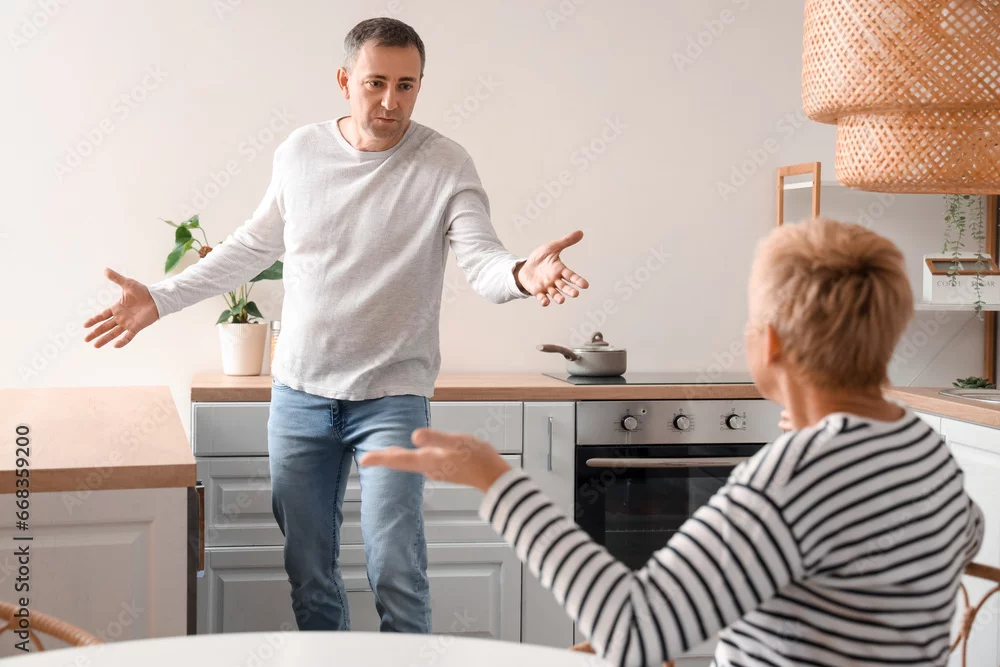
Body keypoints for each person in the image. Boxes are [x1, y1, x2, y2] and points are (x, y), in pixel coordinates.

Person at [81, 17, 589, 634]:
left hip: (392, 397)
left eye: (406, 85)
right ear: (345, 81)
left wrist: (522, 275)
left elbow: (483, 261)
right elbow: (249, 249)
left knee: (395, 564)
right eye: (376, 82)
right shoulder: (300, 153)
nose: (391, 101)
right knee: (308, 570)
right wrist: (159, 299)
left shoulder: (446, 164)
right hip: (300, 395)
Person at [362, 217, 985, 666]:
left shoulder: (795, 477)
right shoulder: (920, 447)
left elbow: (635, 630)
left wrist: (494, 480)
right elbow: (954, 537)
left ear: (769, 343)